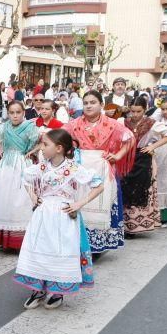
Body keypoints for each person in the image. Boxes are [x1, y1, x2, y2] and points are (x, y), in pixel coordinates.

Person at [16, 129, 104, 310]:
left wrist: (79, 203)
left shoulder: (73, 168)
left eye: (45, 144)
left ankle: (57, 291)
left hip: (63, 216)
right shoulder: (42, 166)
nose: (41, 147)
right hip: (42, 215)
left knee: (60, 250)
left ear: (59, 148)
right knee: (39, 248)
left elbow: (98, 185)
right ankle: (38, 289)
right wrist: (33, 197)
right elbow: (25, 178)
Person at [66, 91, 134, 254]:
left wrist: (117, 155)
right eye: (86, 103)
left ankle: (97, 246)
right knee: (81, 202)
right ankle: (79, 242)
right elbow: (60, 137)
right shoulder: (74, 123)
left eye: (93, 102)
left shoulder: (111, 124)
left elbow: (129, 138)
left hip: (102, 166)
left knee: (100, 204)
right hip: (81, 167)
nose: (89, 106)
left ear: (101, 105)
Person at [0, 101, 39, 251]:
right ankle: (6, 240)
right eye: (12, 113)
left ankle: (21, 240)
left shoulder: (30, 127)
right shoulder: (5, 126)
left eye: (18, 112)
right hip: (6, 166)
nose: (15, 116)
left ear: (23, 113)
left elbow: (42, 141)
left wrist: (32, 151)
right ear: (8, 113)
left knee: (22, 199)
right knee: (5, 199)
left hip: (23, 164)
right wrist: (1, 148)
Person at [120, 97, 162, 235]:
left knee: (140, 189)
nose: (135, 115)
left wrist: (153, 146)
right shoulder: (123, 122)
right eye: (132, 111)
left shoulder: (152, 123)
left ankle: (137, 226)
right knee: (125, 188)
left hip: (143, 158)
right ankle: (125, 226)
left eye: (139, 111)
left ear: (145, 110)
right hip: (126, 158)